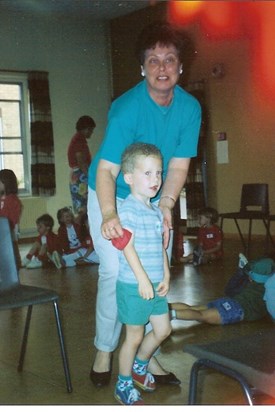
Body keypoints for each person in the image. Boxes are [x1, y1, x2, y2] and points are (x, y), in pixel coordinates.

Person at [87, 21, 201, 387]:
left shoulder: (190, 108)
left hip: (154, 193)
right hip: (112, 192)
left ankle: (144, 359)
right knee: (114, 272)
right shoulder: (126, 109)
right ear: (142, 68)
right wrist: (110, 215)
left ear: (181, 67)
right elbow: (106, 171)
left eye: (170, 59)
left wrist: (166, 204)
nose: (162, 67)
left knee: (155, 274)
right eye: (153, 61)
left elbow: (180, 164)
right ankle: (105, 349)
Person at [114, 143, 172, 405]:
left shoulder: (156, 210)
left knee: (163, 329)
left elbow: (160, 246)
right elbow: (126, 246)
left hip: (155, 283)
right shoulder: (127, 209)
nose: (155, 179)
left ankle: (140, 366)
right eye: (147, 173)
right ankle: (123, 383)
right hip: (134, 285)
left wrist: (166, 275)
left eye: (158, 173)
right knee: (134, 335)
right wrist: (142, 279)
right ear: (129, 178)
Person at [170, 256, 275, 325]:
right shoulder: (268, 288)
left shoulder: (250, 283)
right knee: (201, 315)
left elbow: (229, 290)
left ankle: (164, 306)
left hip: (229, 301)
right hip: (236, 310)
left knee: (193, 308)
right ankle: (168, 315)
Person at [68, 115, 96, 223]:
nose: (91, 133)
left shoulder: (78, 139)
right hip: (80, 177)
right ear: (86, 128)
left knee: (82, 207)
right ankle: (77, 231)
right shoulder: (79, 141)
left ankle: (82, 233)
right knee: (82, 208)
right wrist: (91, 177)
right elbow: (81, 163)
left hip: (77, 176)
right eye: (91, 130)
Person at [0, 169, 23, 269]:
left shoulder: (13, 200)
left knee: (12, 258)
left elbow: (12, 219)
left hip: (7, 234)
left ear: (6, 183)